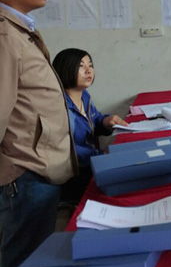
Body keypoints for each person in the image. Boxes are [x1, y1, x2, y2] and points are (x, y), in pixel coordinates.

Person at [0, 0, 77, 267]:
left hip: (37, 168)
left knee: (34, 261)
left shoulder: (19, 29)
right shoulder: (4, 36)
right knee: (24, 264)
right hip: (24, 171)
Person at [52, 48, 128, 204]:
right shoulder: (59, 106)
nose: (89, 71)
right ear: (65, 69)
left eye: (90, 65)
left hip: (92, 162)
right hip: (74, 174)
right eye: (81, 66)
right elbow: (65, 149)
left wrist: (105, 122)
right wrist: (100, 155)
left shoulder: (84, 95)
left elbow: (94, 120)